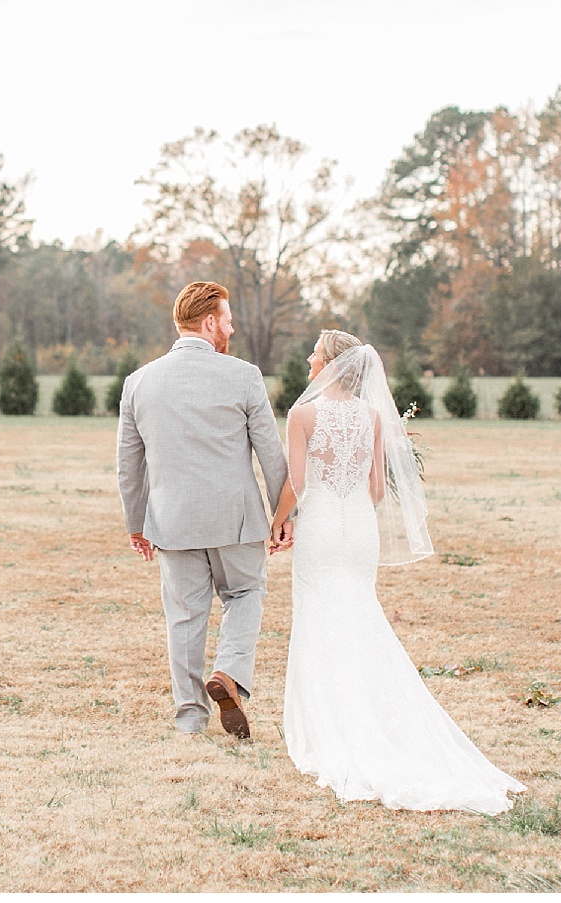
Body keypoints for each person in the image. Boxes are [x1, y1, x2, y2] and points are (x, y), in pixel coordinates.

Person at [269, 329, 525, 812]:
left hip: (322, 527)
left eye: (315, 354)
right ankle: (376, 714)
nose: (308, 358)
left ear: (332, 365)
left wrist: (278, 522)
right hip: (359, 529)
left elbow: (297, 484)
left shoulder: (303, 416)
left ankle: (333, 724)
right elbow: (377, 490)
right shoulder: (370, 417)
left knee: (321, 619)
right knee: (359, 616)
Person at [116, 281, 287, 738]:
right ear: (210, 322)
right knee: (246, 595)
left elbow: (129, 467)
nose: (231, 328)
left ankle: (190, 718)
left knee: (185, 617)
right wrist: (284, 516)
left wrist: (136, 524)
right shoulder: (244, 375)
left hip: (172, 522)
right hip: (237, 519)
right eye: (228, 320)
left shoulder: (139, 382)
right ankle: (228, 673)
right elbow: (271, 453)